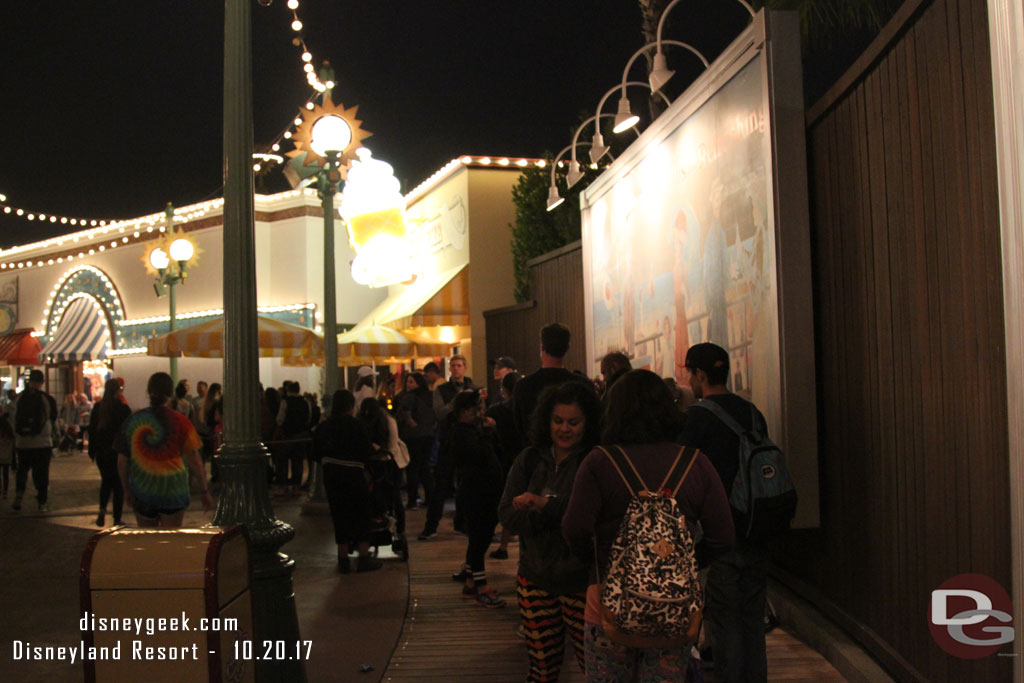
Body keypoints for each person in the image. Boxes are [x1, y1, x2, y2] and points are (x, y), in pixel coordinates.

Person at [562, 369, 735, 682]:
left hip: (606, 603)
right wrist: (684, 563)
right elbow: (723, 537)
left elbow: (574, 527)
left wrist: (598, 562)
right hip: (675, 608)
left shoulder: (599, 462)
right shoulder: (695, 463)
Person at [678, 342, 772, 683]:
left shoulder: (696, 419)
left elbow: (684, 476)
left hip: (719, 534)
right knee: (751, 621)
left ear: (700, 374)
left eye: (691, 373)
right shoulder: (752, 412)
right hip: (757, 529)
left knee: (724, 623)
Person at [499, 381, 601, 682]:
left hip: (583, 581)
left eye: (574, 422)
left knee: (594, 666)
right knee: (541, 668)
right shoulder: (529, 459)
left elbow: (593, 520)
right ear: (546, 420)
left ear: (588, 423)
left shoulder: (594, 461)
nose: (564, 429)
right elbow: (506, 513)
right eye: (558, 421)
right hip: (535, 577)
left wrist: (543, 506)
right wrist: (547, 515)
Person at [115, 372, 213, 527]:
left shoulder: (133, 421)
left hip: (143, 490)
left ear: (148, 392)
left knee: (148, 543)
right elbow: (195, 460)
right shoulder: (181, 421)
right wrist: (204, 490)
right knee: (170, 542)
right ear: (170, 393)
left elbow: (122, 461)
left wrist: (126, 489)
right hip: (173, 490)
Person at [449, 390, 506, 607]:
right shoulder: (461, 433)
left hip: (487, 492)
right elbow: (478, 457)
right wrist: (487, 433)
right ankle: (481, 588)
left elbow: (496, 452)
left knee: (480, 539)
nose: (481, 413)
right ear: (465, 412)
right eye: (476, 409)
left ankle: (472, 584)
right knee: (479, 540)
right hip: (476, 494)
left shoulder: (473, 431)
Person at [314, 389, 382, 573]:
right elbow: (365, 450)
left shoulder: (325, 426)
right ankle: (363, 557)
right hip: (353, 473)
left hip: (331, 474)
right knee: (361, 513)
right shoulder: (356, 425)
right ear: (352, 406)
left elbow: (315, 450)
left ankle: (343, 558)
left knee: (339, 514)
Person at [419, 354, 477, 540]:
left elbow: (479, 411)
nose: (456, 369)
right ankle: (431, 526)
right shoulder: (442, 390)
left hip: (468, 441)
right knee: (441, 485)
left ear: (465, 367)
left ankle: (463, 523)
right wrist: (457, 401)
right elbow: (440, 413)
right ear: (450, 369)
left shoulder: (473, 388)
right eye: (453, 366)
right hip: (448, 440)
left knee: (467, 484)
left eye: (459, 365)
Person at [513, 323, 589, 437]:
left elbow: (519, 428)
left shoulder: (523, 386)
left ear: (542, 347)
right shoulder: (583, 385)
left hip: (535, 451)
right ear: (568, 347)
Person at [358, 397, 406, 550]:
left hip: (385, 462)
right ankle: (395, 526)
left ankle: (399, 529)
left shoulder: (385, 421)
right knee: (389, 496)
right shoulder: (382, 419)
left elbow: (392, 446)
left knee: (392, 495)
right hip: (377, 462)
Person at [486, 370, 522, 560]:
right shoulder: (529, 411)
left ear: (504, 390)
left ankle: (501, 546)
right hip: (524, 461)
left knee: (501, 503)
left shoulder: (495, 412)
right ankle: (515, 546)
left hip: (500, 462)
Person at [11, 369, 58, 512]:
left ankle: (19, 495)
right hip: (42, 443)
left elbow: (13, 419)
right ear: (42, 382)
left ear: (29, 381)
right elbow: (52, 418)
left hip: (22, 443)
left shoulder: (19, 398)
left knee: (22, 470)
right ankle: (42, 501)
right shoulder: (47, 399)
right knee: (42, 473)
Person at [87, 378, 132, 526]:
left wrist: (92, 451)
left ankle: (102, 509)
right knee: (118, 485)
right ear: (118, 390)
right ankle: (117, 518)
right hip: (117, 452)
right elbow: (128, 431)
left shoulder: (98, 408)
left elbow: (92, 431)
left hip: (102, 452)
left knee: (106, 482)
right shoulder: (122, 408)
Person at [396, 372, 436, 509]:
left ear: (418, 383)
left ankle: (412, 499)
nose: (408, 384)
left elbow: (405, 412)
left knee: (412, 468)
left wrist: (411, 423)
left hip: (413, 437)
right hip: (428, 435)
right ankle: (430, 497)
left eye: (411, 382)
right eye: (407, 381)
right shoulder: (429, 396)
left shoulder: (409, 397)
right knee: (424, 468)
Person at [275, 381, 310, 493]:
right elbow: (309, 417)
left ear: (288, 390)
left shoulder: (285, 401)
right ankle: (296, 485)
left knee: (283, 460)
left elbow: (280, 419)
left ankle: (283, 485)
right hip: (301, 435)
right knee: (297, 460)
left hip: (288, 434)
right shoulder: (305, 401)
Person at [0, 413, 13, 499]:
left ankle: (3, 490)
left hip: (5, 451)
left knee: (5, 473)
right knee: (5, 473)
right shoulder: (7, 423)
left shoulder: (5, 423)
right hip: (6, 452)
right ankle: (4, 491)